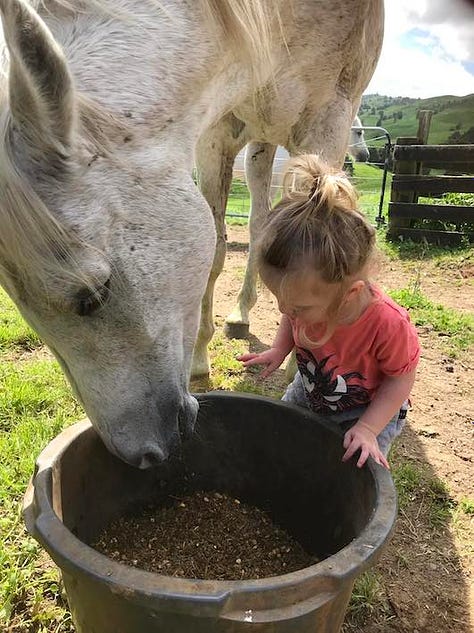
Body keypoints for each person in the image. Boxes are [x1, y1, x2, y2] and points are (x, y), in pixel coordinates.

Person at [238, 155, 420, 469]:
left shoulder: (387, 324)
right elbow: (290, 316)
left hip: (365, 410)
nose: (285, 311)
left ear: (349, 293)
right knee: (284, 440)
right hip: (310, 392)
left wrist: (367, 429)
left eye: (297, 308)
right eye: (283, 303)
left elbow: (400, 381)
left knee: (349, 469)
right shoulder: (304, 300)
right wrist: (281, 349)